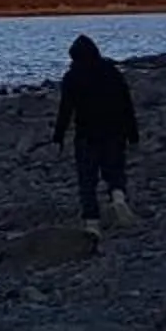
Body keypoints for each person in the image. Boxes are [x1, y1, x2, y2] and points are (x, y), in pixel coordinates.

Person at [51, 34, 140, 231]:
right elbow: (126, 104)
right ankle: (118, 197)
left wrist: (58, 136)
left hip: (86, 134)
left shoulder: (72, 77)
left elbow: (65, 109)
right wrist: (133, 135)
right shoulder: (111, 72)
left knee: (87, 180)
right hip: (115, 131)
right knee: (115, 170)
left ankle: (92, 223)